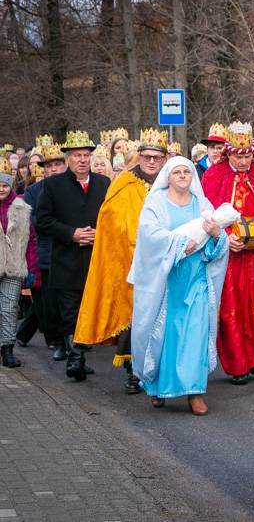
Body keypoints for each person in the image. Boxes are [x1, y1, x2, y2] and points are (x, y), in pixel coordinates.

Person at [130, 157, 229, 415]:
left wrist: (216, 235)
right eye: (177, 172)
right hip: (166, 283)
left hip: (196, 281)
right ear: (168, 176)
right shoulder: (156, 203)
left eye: (187, 171)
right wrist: (178, 244)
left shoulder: (202, 204)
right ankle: (157, 386)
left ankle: (195, 392)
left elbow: (217, 241)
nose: (183, 175)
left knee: (197, 334)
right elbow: (149, 237)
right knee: (164, 335)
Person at [73, 129, 169, 394]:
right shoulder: (124, 183)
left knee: (163, 318)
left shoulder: (171, 181)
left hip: (166, 261)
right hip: (131, 261)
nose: (151, 162)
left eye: (157, 157)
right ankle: (134, 372)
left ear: (164, 159)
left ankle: (162, 371)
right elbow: (111, 221)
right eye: (147, 157)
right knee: (135, 318)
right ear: (139, 157)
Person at [35, 131, 110, 381]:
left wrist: (100, 233)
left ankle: (78, 357)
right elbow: (42, 221)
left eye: (86, 155)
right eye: (77, 155)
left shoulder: (103, 183)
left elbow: (111, 218)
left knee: (89, 311)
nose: (82, 160)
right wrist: (72, 233)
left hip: (95, 260)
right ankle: (75, 357)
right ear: (67, 159)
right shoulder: (53, 185)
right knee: (70, 313)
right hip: (66, 260)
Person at [202, 121, 254, 385]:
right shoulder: (214, 175)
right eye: (238, 156)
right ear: (228, 153)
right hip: (227, 255)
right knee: (231, 307)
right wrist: (226, 237)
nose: (243, 161)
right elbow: (205, 213)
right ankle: (238, 363)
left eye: (247, 156)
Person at [22, 141, 66, 357]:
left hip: (74, 251)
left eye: (57, 164)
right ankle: (56, 340)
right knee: (49, 302)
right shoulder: (33, 191)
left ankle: (74, 341)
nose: (53, 169)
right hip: (47, 252)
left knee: (72, 299)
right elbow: (33, 221)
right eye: (49, 166)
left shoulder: (75, 186)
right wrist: (63, 227)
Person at [0, 158, 37, 368]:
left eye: (4, 185)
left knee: (9, 308)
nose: (1, 189)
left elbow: (30, 240)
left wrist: (31, 268)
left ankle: (7, 349)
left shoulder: (21, 208)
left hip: (14, 266)